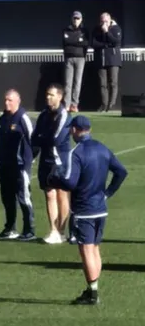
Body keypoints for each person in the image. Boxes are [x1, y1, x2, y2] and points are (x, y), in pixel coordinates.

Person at [52, 114, 128, 305]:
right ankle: (92, 289)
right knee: (95, 248)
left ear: (75, 130)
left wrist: (55, 177)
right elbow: (121, 171)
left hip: (84, 209)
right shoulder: (102, 148)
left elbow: (70, 182)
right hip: (101, 208)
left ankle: (93, 293)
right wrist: (108, 193)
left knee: (86, 250)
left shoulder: (76, 153)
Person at [31, 83, 72, 245]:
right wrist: (40, 142)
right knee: (49, 194)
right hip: (45, 160)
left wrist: (43, 138)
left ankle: (61, 230)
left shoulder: (64, 115)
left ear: (60, 97)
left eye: (52, 95)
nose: (48, 97)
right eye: (47, 94)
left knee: (62, 195)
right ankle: (53, 230)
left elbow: (56, 139)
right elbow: (35, 137)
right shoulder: (43, 115)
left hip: (59, 160)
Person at [0, 89, 35, 241]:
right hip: (4, 165)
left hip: (20, 166)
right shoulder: (2, 119)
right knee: (7, 198)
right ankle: (10, 228)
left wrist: (28, 159)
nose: (6, 103)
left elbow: (34, 141)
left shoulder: (23, 118)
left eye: (10, 100)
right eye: (5, 100)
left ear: (18, 101)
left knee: (24, 197)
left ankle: (29, 229)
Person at [93, 11, 123, 113]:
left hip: (113, 59)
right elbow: (94, 43)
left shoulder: (116, 29)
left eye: (106, 21)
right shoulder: (97, 30)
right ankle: (104, 104)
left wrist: (106, 32)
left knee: (113, 82)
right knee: (103, 84)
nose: (104, 23)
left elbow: (116, 42)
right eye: (102, 21)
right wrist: (105, 44)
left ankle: (112, 104)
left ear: (110, 20)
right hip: (101, 59)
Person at [61, 10, 88, 112]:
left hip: (80, 58)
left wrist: (74, 41)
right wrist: (77, 40)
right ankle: (66, 104)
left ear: (81, 19)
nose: (76, 20)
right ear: (71, 19)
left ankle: (74, 104)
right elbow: (66, 42)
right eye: (74, 18)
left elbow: (85, 43)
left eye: (78, 18)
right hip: (69, 58)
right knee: (68, 83)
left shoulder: (84, 31)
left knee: (77, 82)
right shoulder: (66, 30)